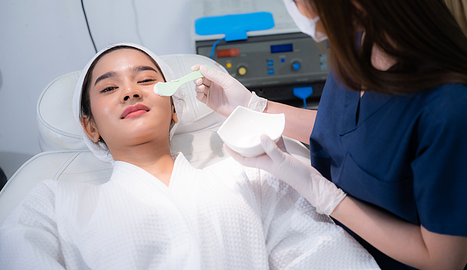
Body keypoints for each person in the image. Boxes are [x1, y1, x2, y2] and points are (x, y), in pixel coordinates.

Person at [192, 0, 467, 269]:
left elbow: (443, 260)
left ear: (350, 1)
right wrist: (255, 106)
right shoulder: (359, 43)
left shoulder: (450, 114)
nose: (289, 5)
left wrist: (322, 194)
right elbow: (351, 132)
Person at [0, 43, 380, 270]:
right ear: (90, 127)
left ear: (175, 110)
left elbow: (323, 255)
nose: (130, 92)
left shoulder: (250, 178)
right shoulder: (51, 205)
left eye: (146, 80)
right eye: (110, 87)